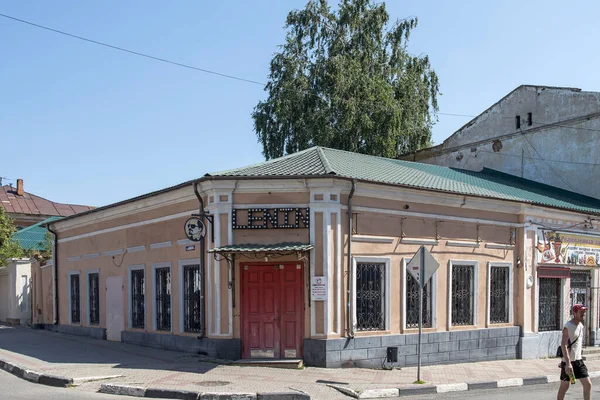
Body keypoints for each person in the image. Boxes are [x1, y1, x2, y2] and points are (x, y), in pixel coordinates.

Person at [557, 304, 592, 400]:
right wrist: (567, 364)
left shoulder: (581, 325)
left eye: (584, 312)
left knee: (588, 384)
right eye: (581, 312)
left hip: (579, 361)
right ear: (574, 313)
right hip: (569, 363)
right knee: (565, 386)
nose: (583, 314)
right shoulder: (568, 326)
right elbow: (563, 344)